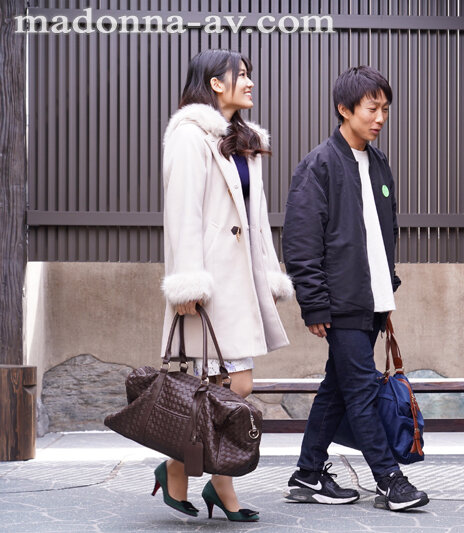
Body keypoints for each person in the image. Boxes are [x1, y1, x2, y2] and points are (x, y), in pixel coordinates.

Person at [281, 65, 428, 512]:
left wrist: (387, 287)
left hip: (372, 299)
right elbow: (301, 240)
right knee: (361, 390)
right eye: (371, 108)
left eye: (385, 109)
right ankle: (389, 480)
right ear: (344, 109)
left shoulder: (378, 162)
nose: (380, 118)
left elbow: (385, 233)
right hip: (341, 301)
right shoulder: (319, 164)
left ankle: (307, 474)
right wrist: (314, 303)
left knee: (338, 388)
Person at [156, 49, 293, 522]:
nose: (250, 83)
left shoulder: (244, 141)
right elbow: (183, 212)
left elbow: (257, 218)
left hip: (240, 282)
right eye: (242, 75)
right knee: (225, 386)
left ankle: (180, 469)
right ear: (216, 83)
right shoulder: (190, 135)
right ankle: (212, 482)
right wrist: (188, 281)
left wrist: (268, 272)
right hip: (211, 283)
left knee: (228, 386)